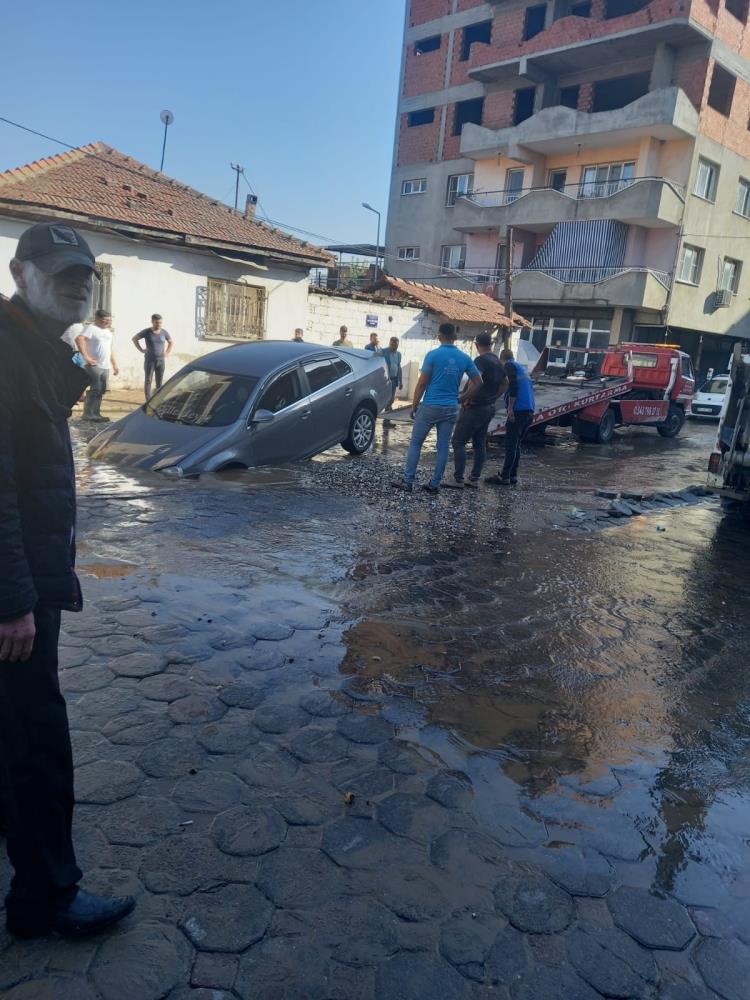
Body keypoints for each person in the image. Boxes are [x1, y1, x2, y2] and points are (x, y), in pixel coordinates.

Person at [0, 222, 135, 939]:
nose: (77, 283)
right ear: (20, 274)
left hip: (21, 584)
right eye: (59, 272)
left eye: (85, 273)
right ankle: (45, 899)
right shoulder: (5, 352)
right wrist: (15, 600)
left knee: (12, 738)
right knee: (37, 746)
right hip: (14, 599)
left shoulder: (30, 349)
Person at [391, 323, 482, 494]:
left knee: (416, 443)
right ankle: (435, 485)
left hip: (431, 406)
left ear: (439, 336)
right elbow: (479, 383)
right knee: (443, 446)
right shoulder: (465, 358)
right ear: (454, 337)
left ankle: (408, 481)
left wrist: (414, 405)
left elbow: (422, 383)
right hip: (451, 408)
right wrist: (462, 398)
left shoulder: (433, 355)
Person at [445, 331, 505, 489]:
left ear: (477, 344)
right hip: (489, 408)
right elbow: (505, 384)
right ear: (490, 344)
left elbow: (476, 381)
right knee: (479, 444)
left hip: (475, 408)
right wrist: (493, 397)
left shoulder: (481, 360)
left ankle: (458, 479)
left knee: (458, 441)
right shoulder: (498, 361)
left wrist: (464, 398)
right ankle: (474, 479)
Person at [485, 347, 536, 486]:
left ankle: (505, 476)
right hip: (529, 411)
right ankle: (512, 475)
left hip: (518, 411)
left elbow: (513, 386)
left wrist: (511, 409)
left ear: (502, 359)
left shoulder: (509, 366)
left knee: (510, 445)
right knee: (516, 444)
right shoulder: (521, 367)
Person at [73, 309, 118, 422]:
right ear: (97, 319)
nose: (107, 322)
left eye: (109, 320)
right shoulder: (91, 328)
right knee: (95, 388)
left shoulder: (108, 332)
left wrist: (114, 364)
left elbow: (110, 349)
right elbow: (79, 339)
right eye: (105, 320)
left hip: (105, 365)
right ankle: (88, 414)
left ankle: (96, 413)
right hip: (94, 365)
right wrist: (86, 357)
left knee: (101, 390)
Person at [132, 313, 173, 399]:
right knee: (148, 380)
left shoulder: (164, 332)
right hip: (150, 360)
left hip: (161, 361)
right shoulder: (147, 332)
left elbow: (171, 342)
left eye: (160, 323)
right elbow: (134, 338)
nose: (159, 324)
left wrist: (167, 352)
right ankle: (148, 400)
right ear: (152, 322)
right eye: (157, 322)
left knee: (159, 381)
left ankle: (157, 399)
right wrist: (141, 349)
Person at [382, 336, 403, 412]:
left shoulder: (399, 354)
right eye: (393, 345)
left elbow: (399, 367)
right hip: (385, 380)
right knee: (386, 399)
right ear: (390, 343)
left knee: (391, 399)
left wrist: (401, 381)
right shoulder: (383, 352)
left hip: (394, 380)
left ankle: (387, 417)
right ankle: (386, 417)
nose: (394, 347)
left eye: (396, 345)